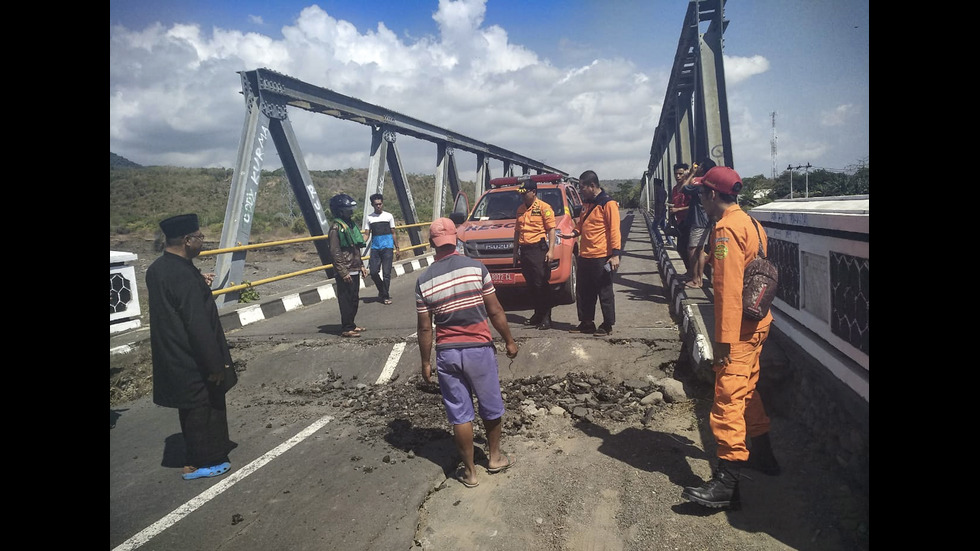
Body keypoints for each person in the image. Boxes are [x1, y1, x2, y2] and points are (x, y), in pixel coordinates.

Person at [680, 166, 781, 510]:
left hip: (738, 331)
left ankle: (727, 485)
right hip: (759, 323)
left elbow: (725, 291)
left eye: (701, 195)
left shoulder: (724, 231)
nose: (701, 202)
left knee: (727, 401)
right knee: (748, 389)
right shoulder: (750, 222)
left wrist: (721, 340)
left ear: (712, 194)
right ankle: (765, 457)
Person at [416, 218, 520, 488]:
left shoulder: (424, 281)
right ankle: (495, 458)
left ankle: (471, 473)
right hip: (478, 350)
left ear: (431, 244)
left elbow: (425, 329)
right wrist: (509, 340)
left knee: (460, 415)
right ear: (456, 239)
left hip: (447, 354)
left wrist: (425, 362)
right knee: (490, 405)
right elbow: (495, 310)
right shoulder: (476, 268)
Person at [146, 213, 238, 481]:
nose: (202, 241)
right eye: (199, 237)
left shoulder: (159, 269)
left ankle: (195, 458)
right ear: (187, 240)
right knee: (205, 408)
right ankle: (204, 461)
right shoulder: (184, 276)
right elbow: (198, 326)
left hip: (172, 354)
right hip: (194, 357)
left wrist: (199, 281)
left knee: (189, 409)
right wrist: (215, 365)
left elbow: (175, 302)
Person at [561, 170, 621, 337]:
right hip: (585, 255)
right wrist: (572, 234)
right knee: (583, 291)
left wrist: (615, 254)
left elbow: (615, 230)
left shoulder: (608, 204)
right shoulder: (587, 203)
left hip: (601, 256)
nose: (580, 191)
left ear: (592, 186)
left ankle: (607, 324)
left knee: (604, 291)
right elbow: (581, 225)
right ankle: (587, 322)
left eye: (582, 187)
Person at [512, 178, 557, 330]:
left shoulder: (544, 208)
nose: (523, 196)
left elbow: (551, 230)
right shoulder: (520, 209)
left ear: (534, 192)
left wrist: (551, 250)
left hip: (538, 249)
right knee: (531, 285)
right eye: (521, 194)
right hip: (525, 251)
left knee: (541, 284)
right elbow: (517, 231)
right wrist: (515, 252)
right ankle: (537, 314)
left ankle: (546, 317)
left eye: (525, 193)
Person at [328, 193, 369, 338]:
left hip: (355, 267)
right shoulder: (336, 228)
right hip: (346, 269)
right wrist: (343, 271)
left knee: (354, 298)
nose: (350, 212)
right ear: (339, 211)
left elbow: (355, 249)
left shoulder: (350, 226)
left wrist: (362, 265)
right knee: (346, 299)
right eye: (347, 209)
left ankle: (351, 324)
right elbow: (335, 252)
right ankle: (346, 328)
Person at [681, 160, 716, 288]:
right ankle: (699, 279)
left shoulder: (700, 185)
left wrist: (691, 174)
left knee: (692, 250)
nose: (697, 168)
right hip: (707, 220)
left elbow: (683, 188)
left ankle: (696, 279)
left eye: (699, 166)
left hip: (698, 221)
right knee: (700, 250)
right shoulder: (710, 185)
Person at [363, 193, 397, 305]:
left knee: (386, 273)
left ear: (382, 203)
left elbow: (393, 232)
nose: (379, 206)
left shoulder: (389, 216)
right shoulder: (369, 218)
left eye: (380, 204)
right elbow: (367, 234)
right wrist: (361, 243)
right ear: (372, 204)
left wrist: (398, 247)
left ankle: (385, 296)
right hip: (375, 248)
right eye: (376, 204)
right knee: (373, 272)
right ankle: (382, 290)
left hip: (387, 247)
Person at [668, 163, 691, 269]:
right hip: (680, 222)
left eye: (680, 174)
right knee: (681, 248)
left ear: (686, 173)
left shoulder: (690, 187)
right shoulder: (675, 189)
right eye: (676, 174)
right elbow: (676, 203)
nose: (678, 176)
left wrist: (678, 209)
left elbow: (695, 206)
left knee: (688, 249)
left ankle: (692, 274)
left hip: (690, 222)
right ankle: (689, 271)